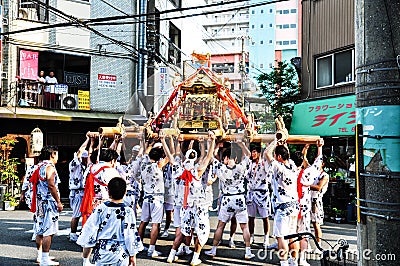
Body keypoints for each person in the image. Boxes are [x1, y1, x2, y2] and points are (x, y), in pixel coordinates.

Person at [162, 131, 216, 266]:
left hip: (185, 206)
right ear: (195, 158)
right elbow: (208, 157)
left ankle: (172, 254)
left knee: (181, 231)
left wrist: (163, 140)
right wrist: (212, 141)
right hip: (199, 206)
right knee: (201, 232)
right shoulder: (197, 170)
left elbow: (171, 155)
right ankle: (195, 257)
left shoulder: (179, 169)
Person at [205, 141, 255, 260]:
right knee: (244, 227)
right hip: (239, 198)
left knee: (220, 226)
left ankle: (213, 249)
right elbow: (249, 156)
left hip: (227, 199)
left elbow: (211, 157)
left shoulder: (221, 168)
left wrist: (215, 145)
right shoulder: (241, 167)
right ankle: (248, 251)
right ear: (236, 157)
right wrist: (242, 145)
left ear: (226, 158)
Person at [76, 177, 142, 266]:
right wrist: (133, 255)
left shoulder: (100, 208)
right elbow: (130, 235)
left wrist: (85, 258)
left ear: (108, 191)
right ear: (125, 192)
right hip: (121, 254)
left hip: (102, 253)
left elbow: (90, 231)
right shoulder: (128, 211)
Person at [80, 148, 121, 266]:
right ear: (112, 160)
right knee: (108, 233)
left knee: (91, 232)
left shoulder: (91, 168)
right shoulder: (111, 171)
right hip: (107, 205)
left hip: (91, 203)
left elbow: (84, 183)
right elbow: (118, 188)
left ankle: (86, 260)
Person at [265, 142, 300, 266]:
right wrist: (282, 143)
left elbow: (266, 153)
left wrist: (274, 141)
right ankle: (294, 261)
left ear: (279, 157)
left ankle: (284, 262)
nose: (273, 157)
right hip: (294, 206)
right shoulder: (293, 166)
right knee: (292, 235)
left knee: (281, 237)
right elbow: (287, 155)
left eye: (276, 155)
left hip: (283, 207)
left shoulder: (278, 167)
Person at [31, 145, 63, 266]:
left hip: (40, 202)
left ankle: (41, 256)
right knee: (48, 231)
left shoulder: (39, 166)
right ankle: (44, 259)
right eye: (57, 154)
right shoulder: (49, 167)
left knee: (40, 229)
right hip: (49, 202)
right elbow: (51, 185)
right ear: (53, 154)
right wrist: (58, 201)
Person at [137, 141, 168, 257]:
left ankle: (139, 244)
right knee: (155, 224)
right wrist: (166, 142)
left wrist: (150, 144)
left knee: (143, 222)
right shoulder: (158, 165)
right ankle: (151, 248)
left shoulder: (144, 164)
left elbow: (145, 153)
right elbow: (171, 156)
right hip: (157, 198)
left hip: (146, 197)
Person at [246, 143, 271, 248]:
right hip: (251, 193)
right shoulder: (250, 164)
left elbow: (269, 171)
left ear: (259, 153)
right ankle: (251, 236)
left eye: (255, 152)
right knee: (251, 217)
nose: (253, 154)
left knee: (265, 217)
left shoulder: (264, 163)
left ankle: (266, 237)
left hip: (262, 193)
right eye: (252, 152)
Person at [68, 134, 92, 242]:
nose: (86, 159)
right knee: (77, 214)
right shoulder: (74, 163)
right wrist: (87, 140)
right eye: (84, 158)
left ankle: (82, 232)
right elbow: (80, 151)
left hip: (84, 192)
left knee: (86, 214)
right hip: (77, 192)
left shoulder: (85, 166)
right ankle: (73, 233)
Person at [310, 150, 329, 254]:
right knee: (305, 224)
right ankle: (306, 244)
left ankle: (318, 245)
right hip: (308, 200)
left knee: (316, 224)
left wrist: (305, 185)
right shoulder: (312, 173)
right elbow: (304, 161)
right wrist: (306, 149)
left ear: (323, 164)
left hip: (316, 202)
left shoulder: (324, 175)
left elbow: (318, 187)